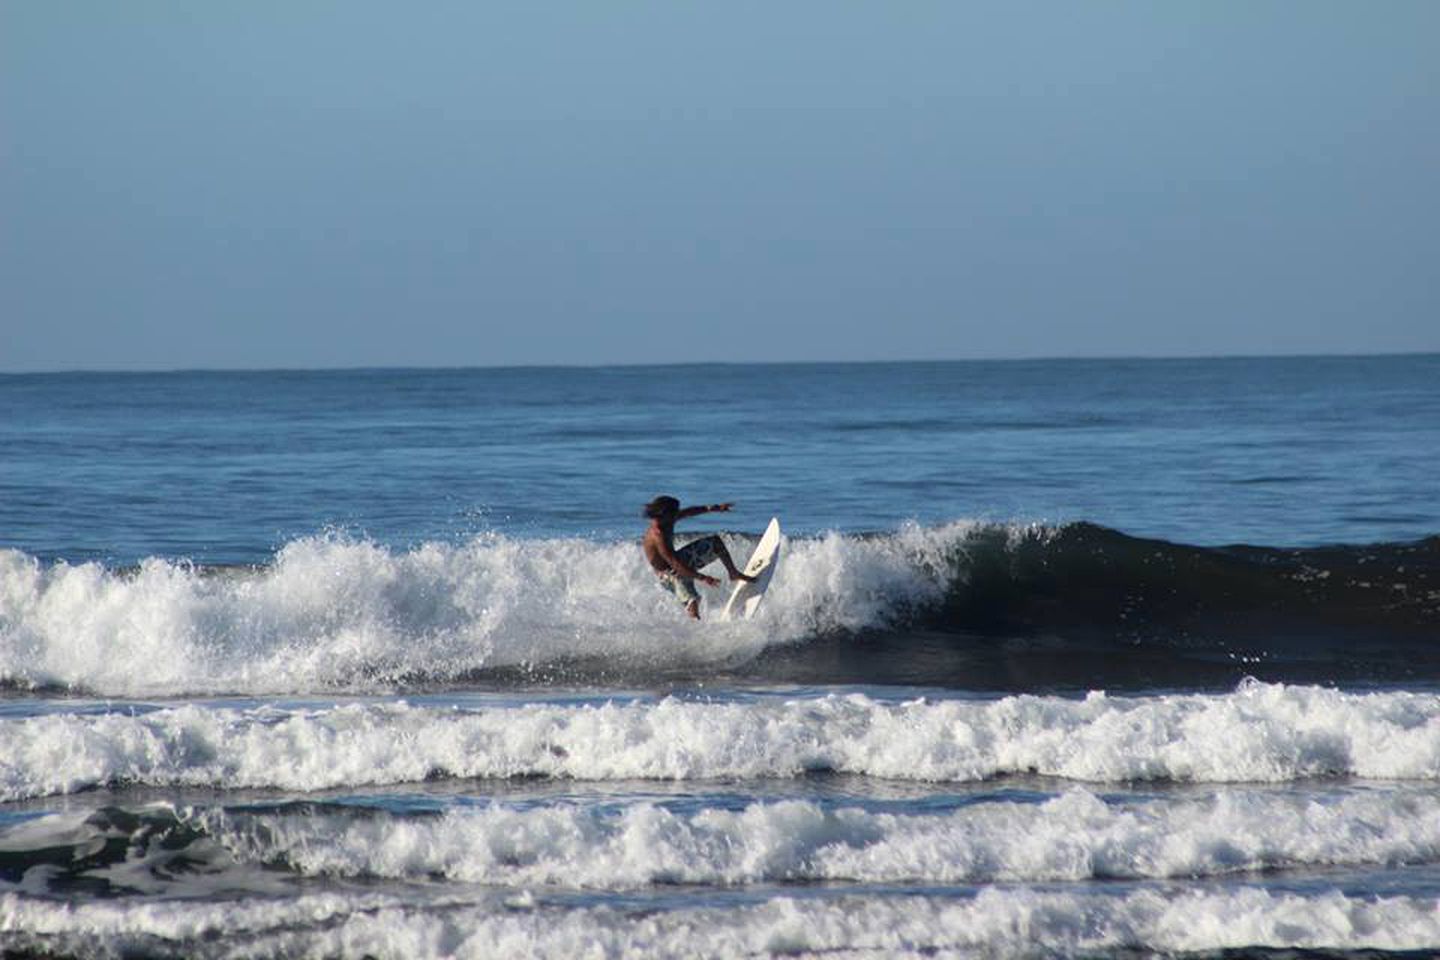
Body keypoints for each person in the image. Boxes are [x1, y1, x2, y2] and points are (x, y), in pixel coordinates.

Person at [642, 495, 754, 620]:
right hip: (667, 574)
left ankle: (733, 573)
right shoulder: (658, 535)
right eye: (675, 513)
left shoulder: (667, 518)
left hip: (678, 560)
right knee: (692, 601)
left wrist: (713, 508)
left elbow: (689, 512)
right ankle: (695, 631)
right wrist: (702, 577)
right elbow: (674, 563)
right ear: (665, 514)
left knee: (715, 543)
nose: (677, 515)